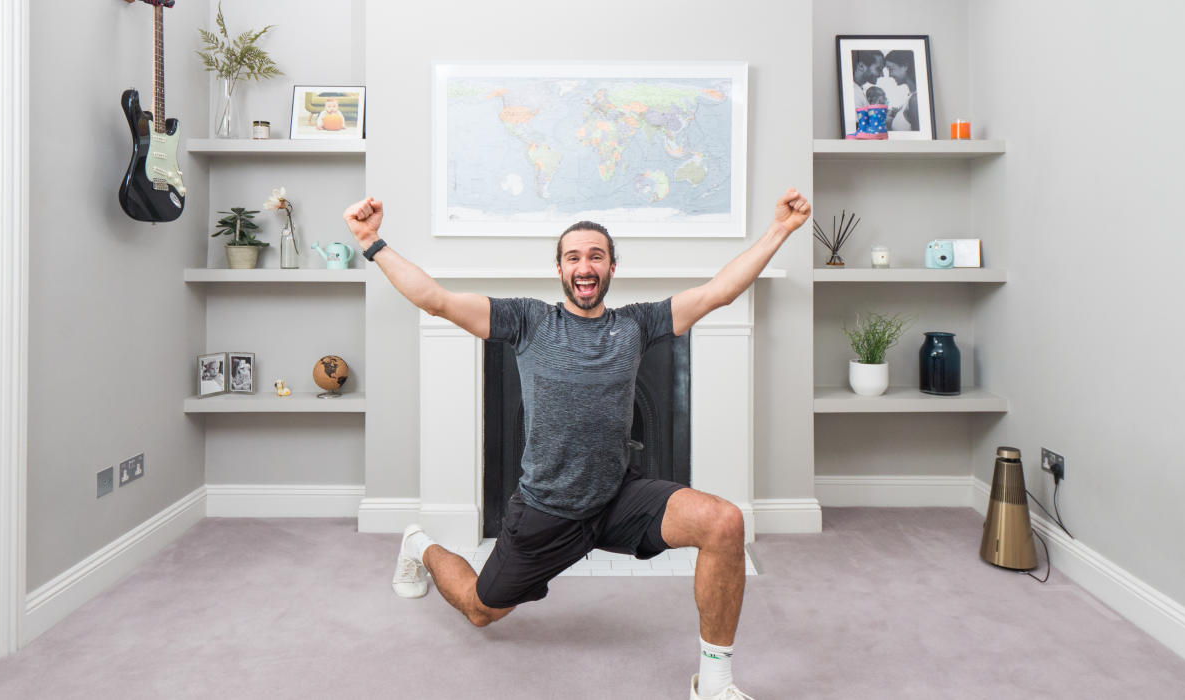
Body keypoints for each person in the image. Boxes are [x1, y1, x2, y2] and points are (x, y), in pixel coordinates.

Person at [344, 188, 811, 700]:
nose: (584, 266)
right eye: (573, 257)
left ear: (612, 267)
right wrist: (372, 242)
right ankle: (420, 545)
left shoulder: (636, 323)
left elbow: (719, 291)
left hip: (617, 497)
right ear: (559, 270)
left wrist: (781, 230)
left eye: (595, 256)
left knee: (724, 521)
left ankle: (715, 683)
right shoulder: (528, 321)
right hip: (548, 508)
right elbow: (436, 300)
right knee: (481, 609)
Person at [880, 50, 920, 132]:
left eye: (891, 69)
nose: (890, 75)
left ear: (905, 66)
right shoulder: (910, 97)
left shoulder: (915, 100)